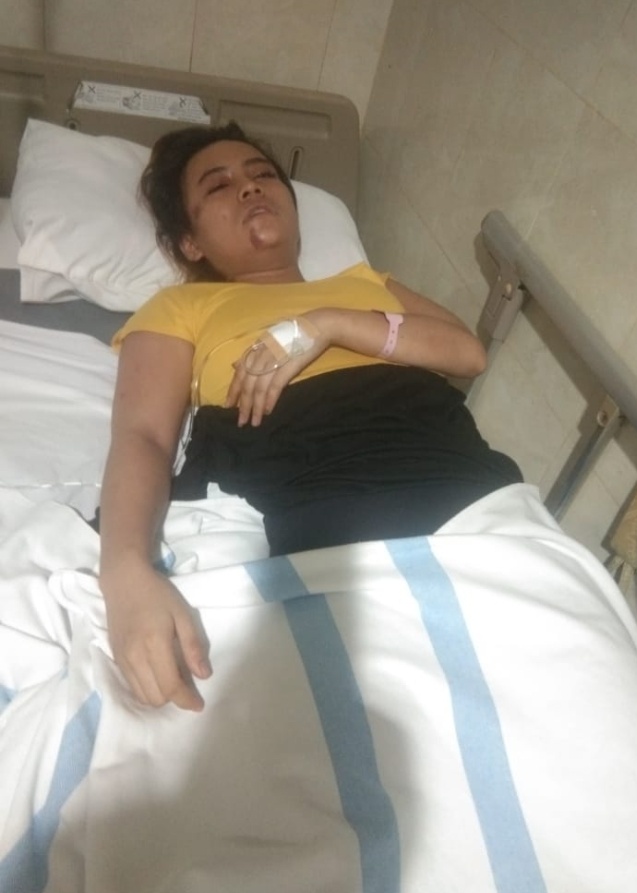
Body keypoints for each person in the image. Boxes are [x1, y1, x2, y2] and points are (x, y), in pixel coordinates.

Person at [99, 121, 521, 713]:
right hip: (308, 481)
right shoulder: (182, 305)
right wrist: (123, 571)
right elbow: (143, 436)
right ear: (191, 244)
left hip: (449, 464)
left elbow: (466, 353)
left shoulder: (364, 283)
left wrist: (330, 323)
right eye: (218, 186)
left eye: (262, 175)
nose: (250, 187)